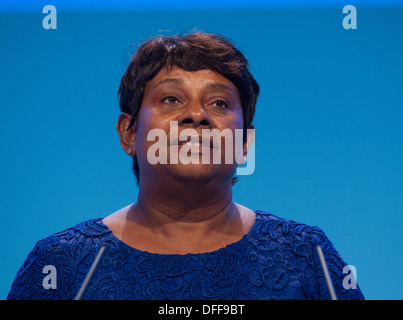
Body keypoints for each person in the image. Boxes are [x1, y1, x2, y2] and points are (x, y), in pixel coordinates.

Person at [7, 32, 364, 300]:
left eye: (220, 103)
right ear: (128, 133)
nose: (197, 115)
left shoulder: (307, 255)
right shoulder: (61, 264)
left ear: (244, 144)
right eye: (171, 98)